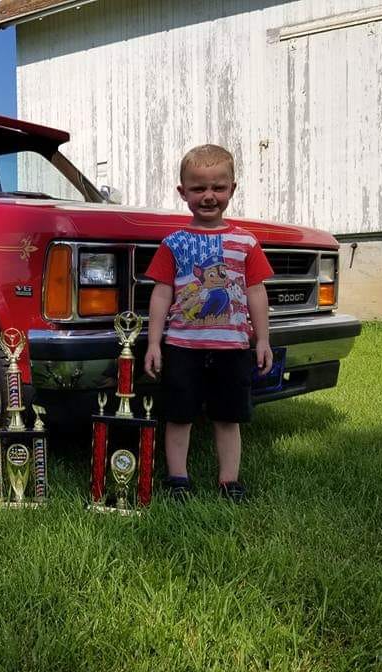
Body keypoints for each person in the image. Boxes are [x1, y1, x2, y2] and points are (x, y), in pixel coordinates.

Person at [143, 144, 274, 502]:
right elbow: (161, 294)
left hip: (232, 348)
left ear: (233, 188)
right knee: (179, 415)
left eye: (218, 187)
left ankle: (229, 481)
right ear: (182, 191)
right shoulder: (174, 244)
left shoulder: (245, 243)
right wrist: (154, 343)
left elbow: (256, 293)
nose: (208, 196)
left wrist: (262, 340)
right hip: (182, 347)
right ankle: (178, 479)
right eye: (198, 188)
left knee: (228, 417)